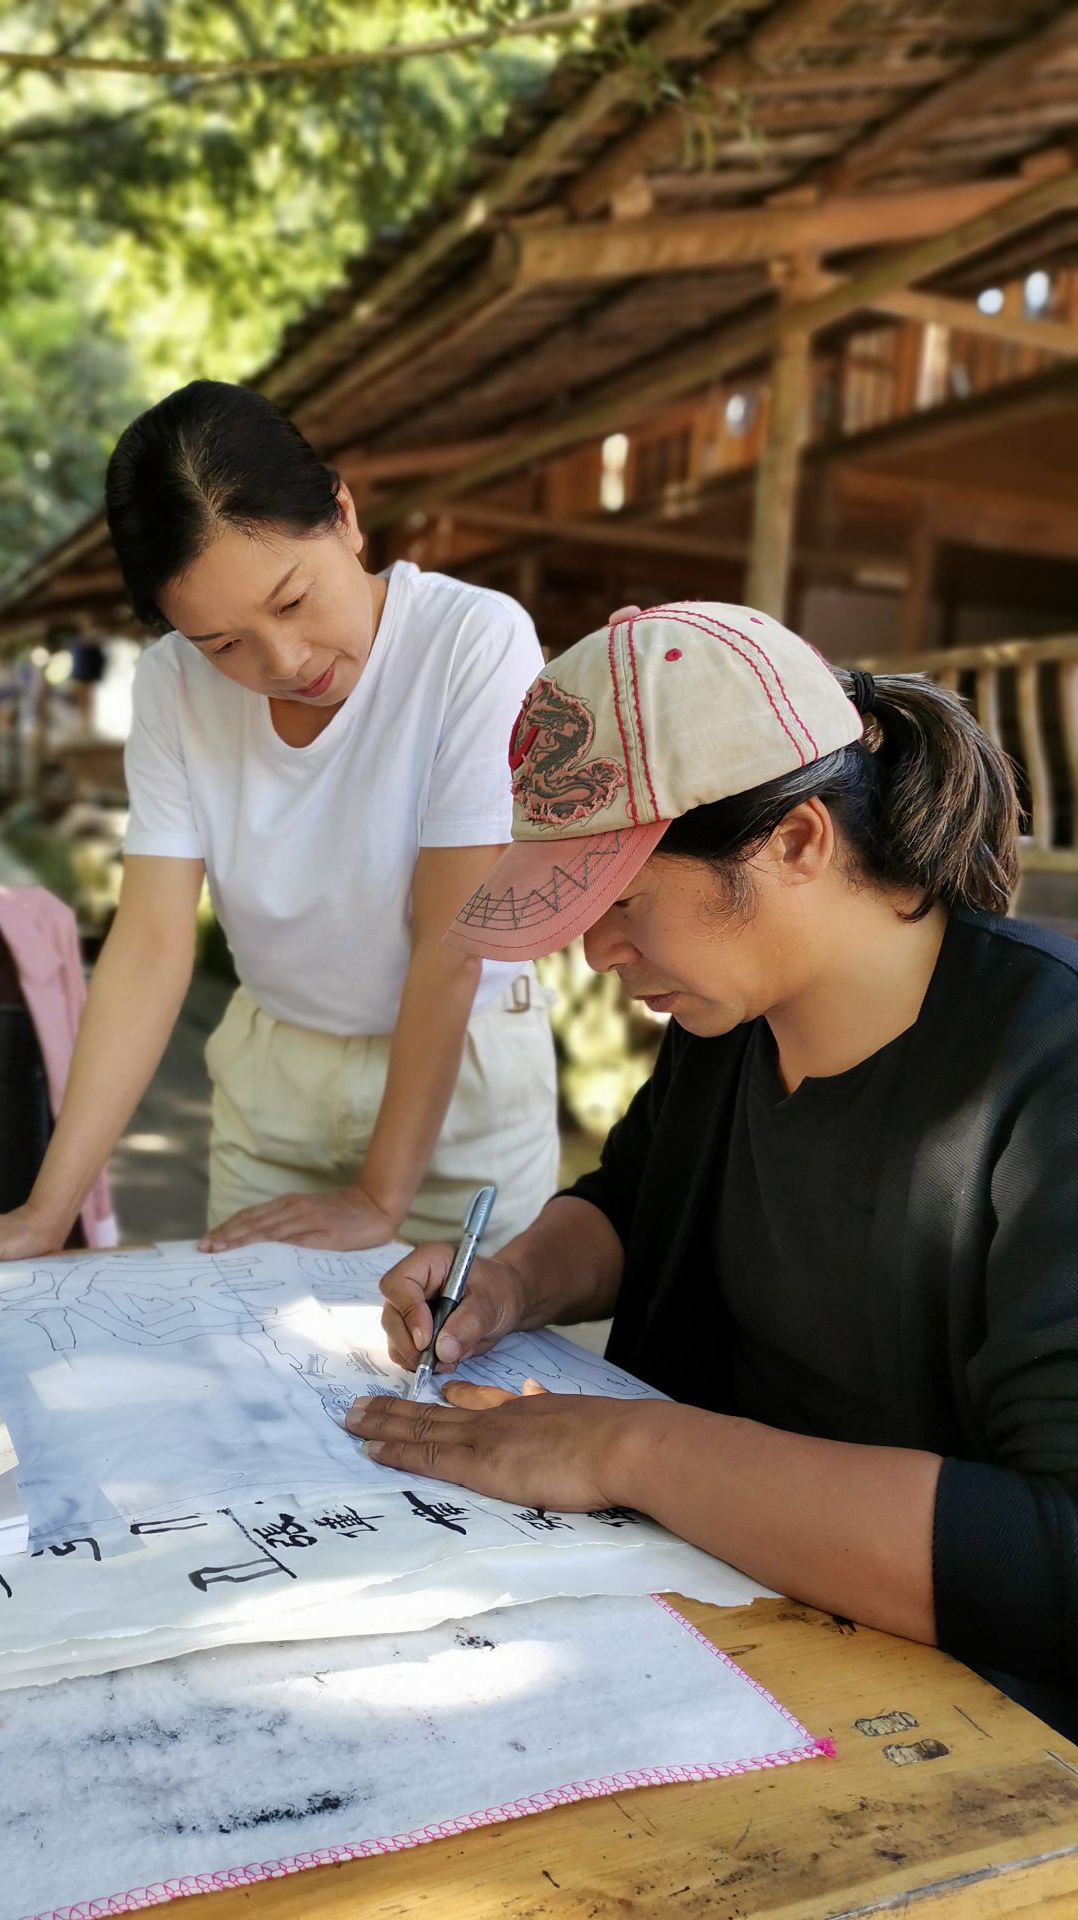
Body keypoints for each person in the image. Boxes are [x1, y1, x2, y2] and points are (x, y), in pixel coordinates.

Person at [347, 599, 1078, 1738]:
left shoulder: (1049, 1070)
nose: (598, 951)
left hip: (961, 1725)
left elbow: (1055, 1559)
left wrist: (628, 1446)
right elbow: (635, 1206)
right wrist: (511, 1282)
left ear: (796, 840)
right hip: (710, 1621)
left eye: (625, 898)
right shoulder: (731, 1022)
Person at [0, 381, 558, 1265]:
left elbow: (453, 942)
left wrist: (377, 1198)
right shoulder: (173, 685)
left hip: (461, 1084)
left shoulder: (473, 641)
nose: (283, 662)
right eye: (223, 644)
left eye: (291, 601)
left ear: (343, 515)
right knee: (248, 1375)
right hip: (275, 1079)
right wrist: (43, 1213)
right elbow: (150, 944)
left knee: (463, 1374)